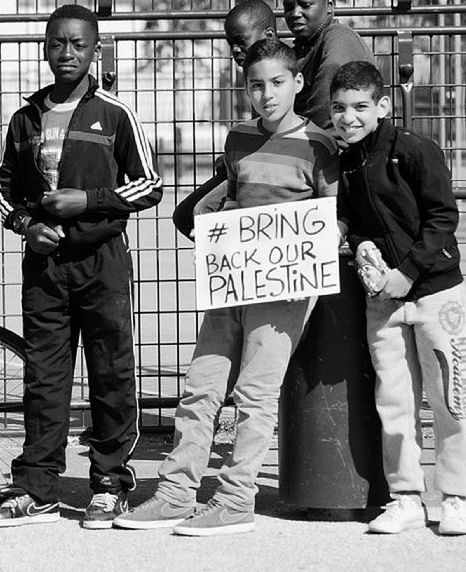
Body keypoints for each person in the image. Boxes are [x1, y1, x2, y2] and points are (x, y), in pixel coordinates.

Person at [113, 38, 339, 536]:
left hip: (283, 289)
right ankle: (175, 493)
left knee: (255, 395)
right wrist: (213, 218)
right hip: (233, 281)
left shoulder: (319, 145)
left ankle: (237, 500)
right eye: (256, 85)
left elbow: (333, 220)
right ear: (246, 88)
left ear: (298, 83)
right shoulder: (237, 138)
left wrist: (298, 240)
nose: (267, 94)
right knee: (201, 386)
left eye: (277, 83)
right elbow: (232, 196)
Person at [0, 4, 163, 529]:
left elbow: (148, 184)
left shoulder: (114, 114)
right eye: (57, 43)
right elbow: (2, 187)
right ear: (45, 48)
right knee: (44, 377)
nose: (67, 53)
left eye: (78, 45)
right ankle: (35, 487)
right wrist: (25, 226)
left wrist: (90, 201)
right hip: (44, 267)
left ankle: (108, 483)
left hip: (101, 262)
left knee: (111, 370)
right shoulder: (26, 117)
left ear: (94, 50)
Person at [331, 61, 466, 536]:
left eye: (359, 107)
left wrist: (408, 272)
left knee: (450, 398)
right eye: (338, 108)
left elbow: (442, 217)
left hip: (436, 293)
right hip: (384, 301)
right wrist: (341, 230)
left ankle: (454, 497)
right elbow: (351, 213)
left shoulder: (414, 150)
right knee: (393, 400)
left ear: (382, 107)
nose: (348, 117)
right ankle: (406, 496)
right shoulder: (345, 160)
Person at [172, 0, 278, 240]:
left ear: (269, 35)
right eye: (231, 44)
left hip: (276, 165)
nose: (235, 51)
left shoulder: (283, 71)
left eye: (241, 42)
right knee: (187, 215)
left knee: (200, 214)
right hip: (252, 158)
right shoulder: (251, 73)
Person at [283, 0, 375, 130]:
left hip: (334, 142)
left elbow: (322, 112)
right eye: (288, 8)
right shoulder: (301, 48)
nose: (295, 13)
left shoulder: (339, 38)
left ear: (330, 5)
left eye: (305, 5)